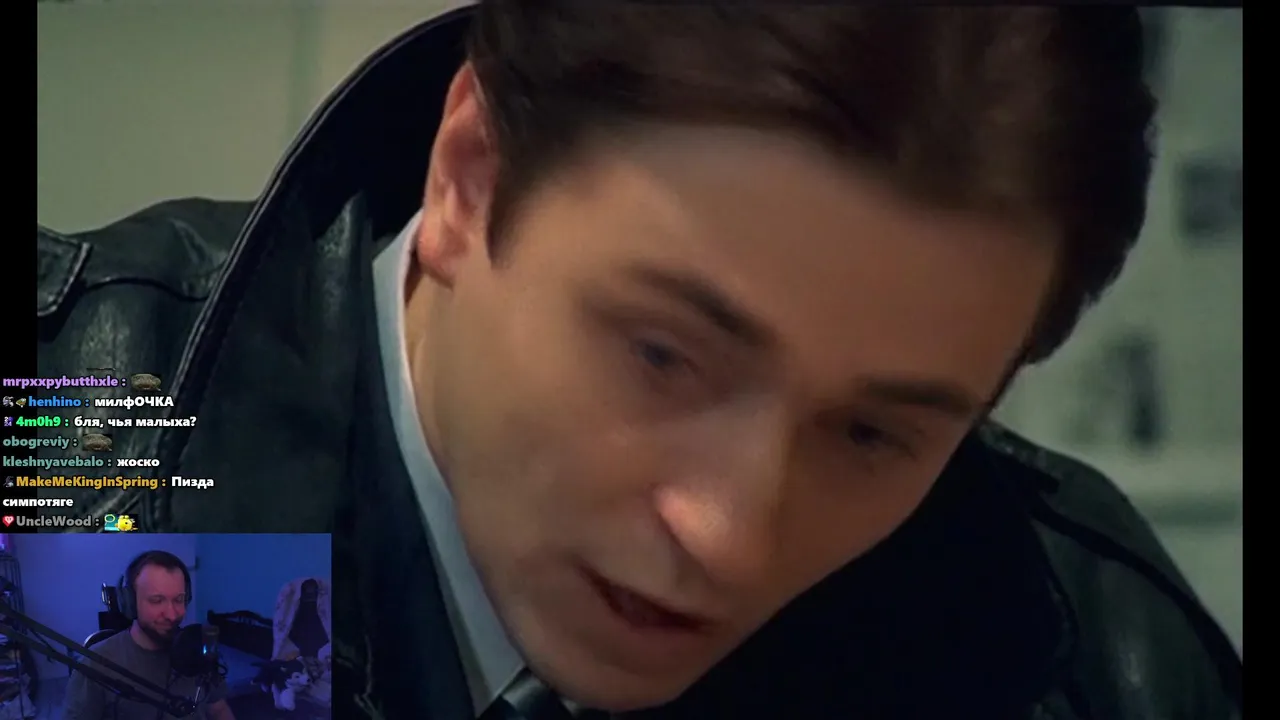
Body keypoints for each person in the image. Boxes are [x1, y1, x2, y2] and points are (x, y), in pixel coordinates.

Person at [35, 3, 1242, 718]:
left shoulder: (1088, 659)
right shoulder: (60, 442)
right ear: (469, 176)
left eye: (873, 434)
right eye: (664, 355)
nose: (728, 537)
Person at [62, 551, 235, 720]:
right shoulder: (95, 664)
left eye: (178, 600)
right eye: (156, 600)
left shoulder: (198, 647)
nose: (172, 615)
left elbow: (218, 709)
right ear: (130, 603)